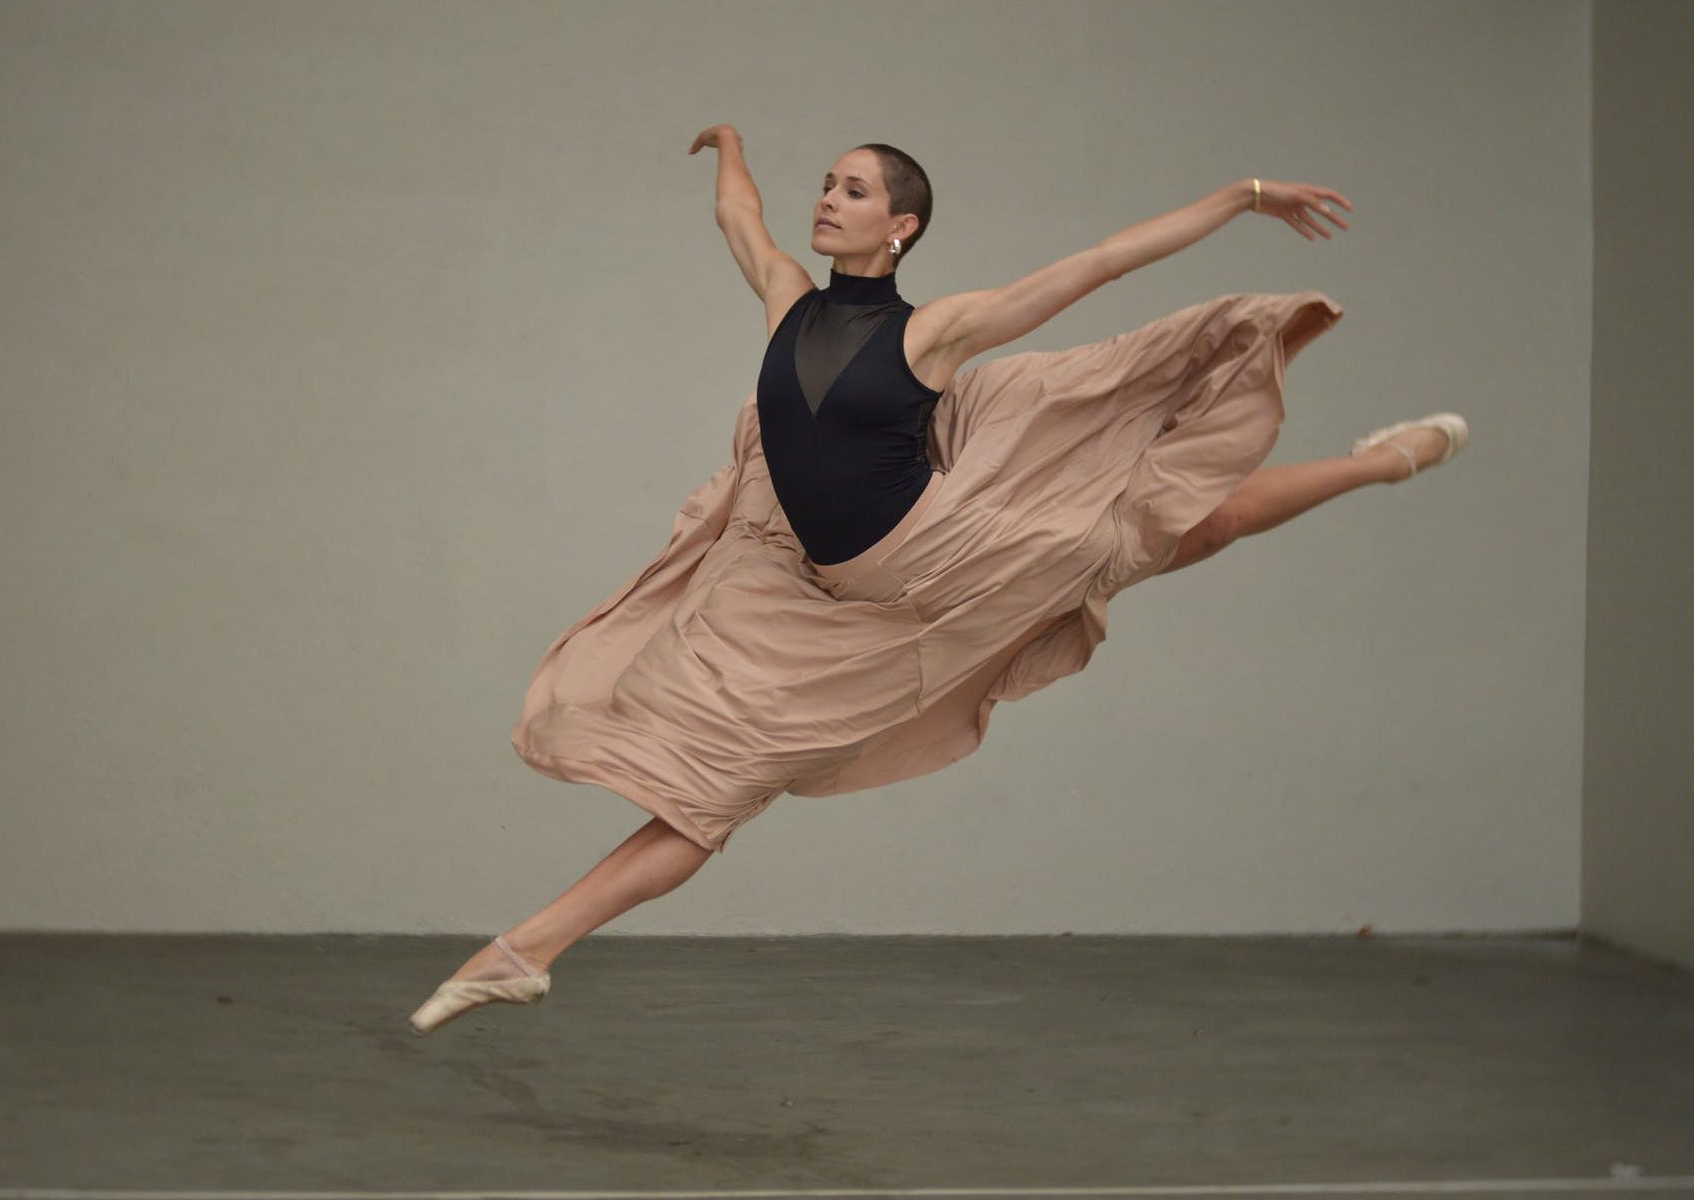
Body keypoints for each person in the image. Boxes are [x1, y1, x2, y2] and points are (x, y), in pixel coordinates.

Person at [410, 130, 1467, 1035]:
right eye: (824, 183)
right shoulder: (786, 304)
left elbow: (1100, 262)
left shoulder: (933, 329)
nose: (828, 200)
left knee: (1177, 524)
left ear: (899, 228)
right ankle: (526, 949)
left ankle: (1387, 458)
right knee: (720, 782)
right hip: (824, 598)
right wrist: (730, 143)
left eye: (853, 190)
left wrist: (1242, 197)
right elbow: (739, 219)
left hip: (953, 555)